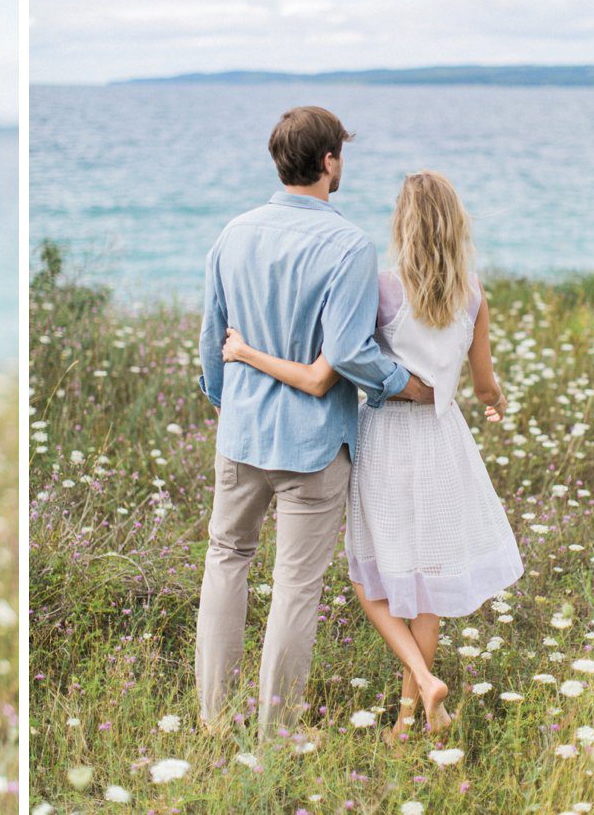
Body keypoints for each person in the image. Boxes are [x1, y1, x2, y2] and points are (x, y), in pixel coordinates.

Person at [222, 170, 523, 740]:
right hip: (442, 439)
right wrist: (495, 401)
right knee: (427, 586)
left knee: (369, 578)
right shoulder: (474, 293)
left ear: (402, 225)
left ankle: (420, 681)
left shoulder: (384, 288)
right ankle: (409, 720)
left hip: (385, 437)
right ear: (456, 225)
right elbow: (482, 384)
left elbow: (348, 358)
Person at [195, 106, 434, 740]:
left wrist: (229, 400)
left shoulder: (234, 233)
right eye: (341, 156)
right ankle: (276, 733)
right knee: (295, 585)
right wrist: (405, 387)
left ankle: (214, 720)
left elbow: (210, 336)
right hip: (315, 444)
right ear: (328, 162)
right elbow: (351, 352)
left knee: (226, 560)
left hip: (242, 433)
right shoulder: (348, 243)